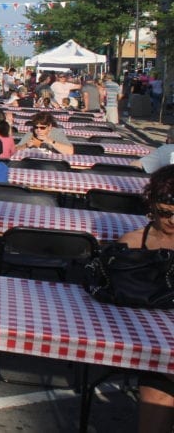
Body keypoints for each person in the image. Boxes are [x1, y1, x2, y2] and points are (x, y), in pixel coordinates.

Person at [117, 165, 174, 433]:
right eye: (165, 213)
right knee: (158, 393)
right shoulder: (132, 243)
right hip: (154, 346)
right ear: (152, 206)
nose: (172, 220)